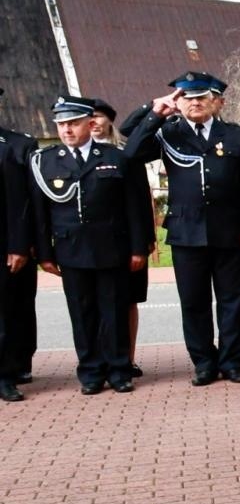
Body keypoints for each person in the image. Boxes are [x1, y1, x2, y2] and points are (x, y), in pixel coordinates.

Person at [123, 71, 240, 385]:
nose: (194, 103)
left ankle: (232, 363)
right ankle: (204, 363)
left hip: (229, 231)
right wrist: (155, 110)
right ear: (178, 102)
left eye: (201, 97)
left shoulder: (235, 135)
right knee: (193, 302)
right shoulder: (168, 132)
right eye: (187, 98)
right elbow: (131, 150)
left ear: (217, 101)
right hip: (186, 231)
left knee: (232, 300)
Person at [28, 95, 154, 394]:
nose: (67, 130)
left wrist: (138, 248)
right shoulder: (45, 161)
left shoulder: (115, 157)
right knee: (82, 313)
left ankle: (119, 370)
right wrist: (44, 253)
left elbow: (134, 207)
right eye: (61, 124)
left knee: (114, 310)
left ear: (89, 123)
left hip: (112, 248)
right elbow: (40, 213)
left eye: (73, 123)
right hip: (71, 250)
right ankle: (91, 372)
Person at [90, 98, 159, 375]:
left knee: (129, 300)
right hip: (95, 242)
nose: (93, 122)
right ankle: (101, 359)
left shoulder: (128, 152)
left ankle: (127, 359)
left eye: (98, 116)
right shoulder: (73, 154)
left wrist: (146, 239)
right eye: (87, 117)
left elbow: (141, 198)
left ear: (110, 120)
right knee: (94, 304)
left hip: (128, 238)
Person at [1, 88, 39, 402]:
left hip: (6, 245)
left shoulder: (17, 145)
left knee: (9, 312)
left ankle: (6, 374)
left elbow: (24, 202)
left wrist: (19, 245)